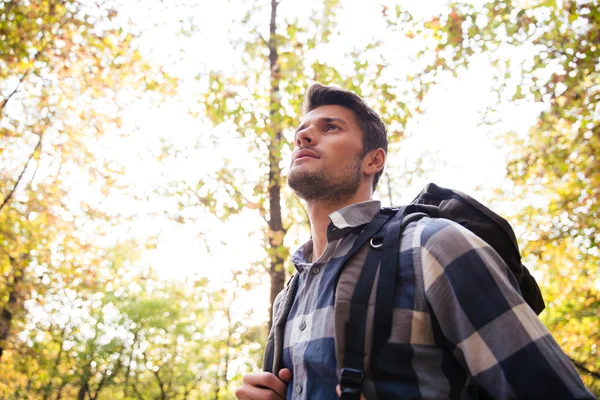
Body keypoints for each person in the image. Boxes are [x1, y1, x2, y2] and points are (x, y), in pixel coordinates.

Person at [235, 83, 594, 399]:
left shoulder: (433, 245)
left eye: (330, 127)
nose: (304, 136)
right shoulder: (290, 295)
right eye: (302, 131)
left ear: (373, 160)